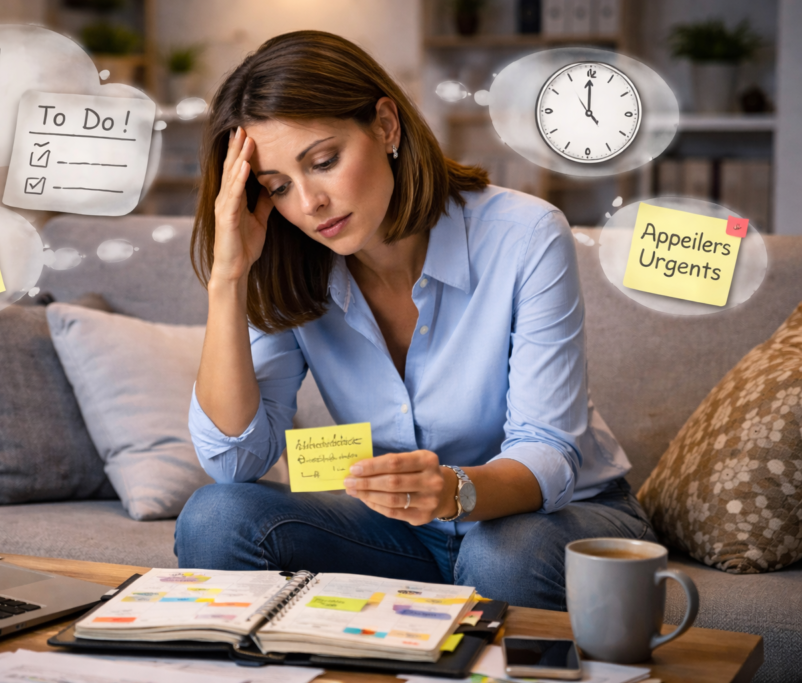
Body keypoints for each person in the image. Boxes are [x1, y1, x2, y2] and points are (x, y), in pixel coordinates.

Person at [175, 30, 655, 611]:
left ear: (385, 125)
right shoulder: (286, 262)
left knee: (498, 554)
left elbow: (547, 452)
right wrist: (228, 279)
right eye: (277, 187)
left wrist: (453, 491)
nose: (308, 203)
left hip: (554, 517)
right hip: (401, 531)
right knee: (216, 517)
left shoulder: (525, 234)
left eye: (323, 162)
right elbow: (234, 461)